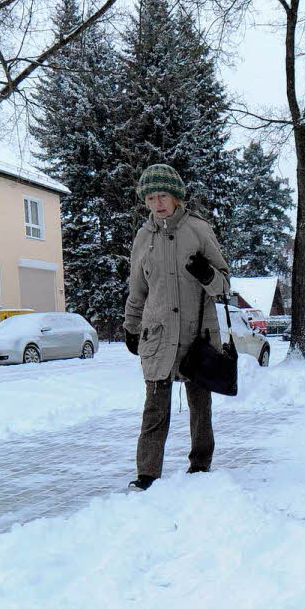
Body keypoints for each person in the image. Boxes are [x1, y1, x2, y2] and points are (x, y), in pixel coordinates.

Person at [123, 164, 231, 490]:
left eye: (163, 196)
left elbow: (224, 285)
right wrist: (131, 325)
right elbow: (137, 289)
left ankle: (200, 464)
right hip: (157, 334)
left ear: (177, 197)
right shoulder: (144, 237)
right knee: (155, 408)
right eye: (151, 197)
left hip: (197, 333)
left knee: (200, 407)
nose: (157, 203)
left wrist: (208, 275)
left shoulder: (199, 230)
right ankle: (147, 474)